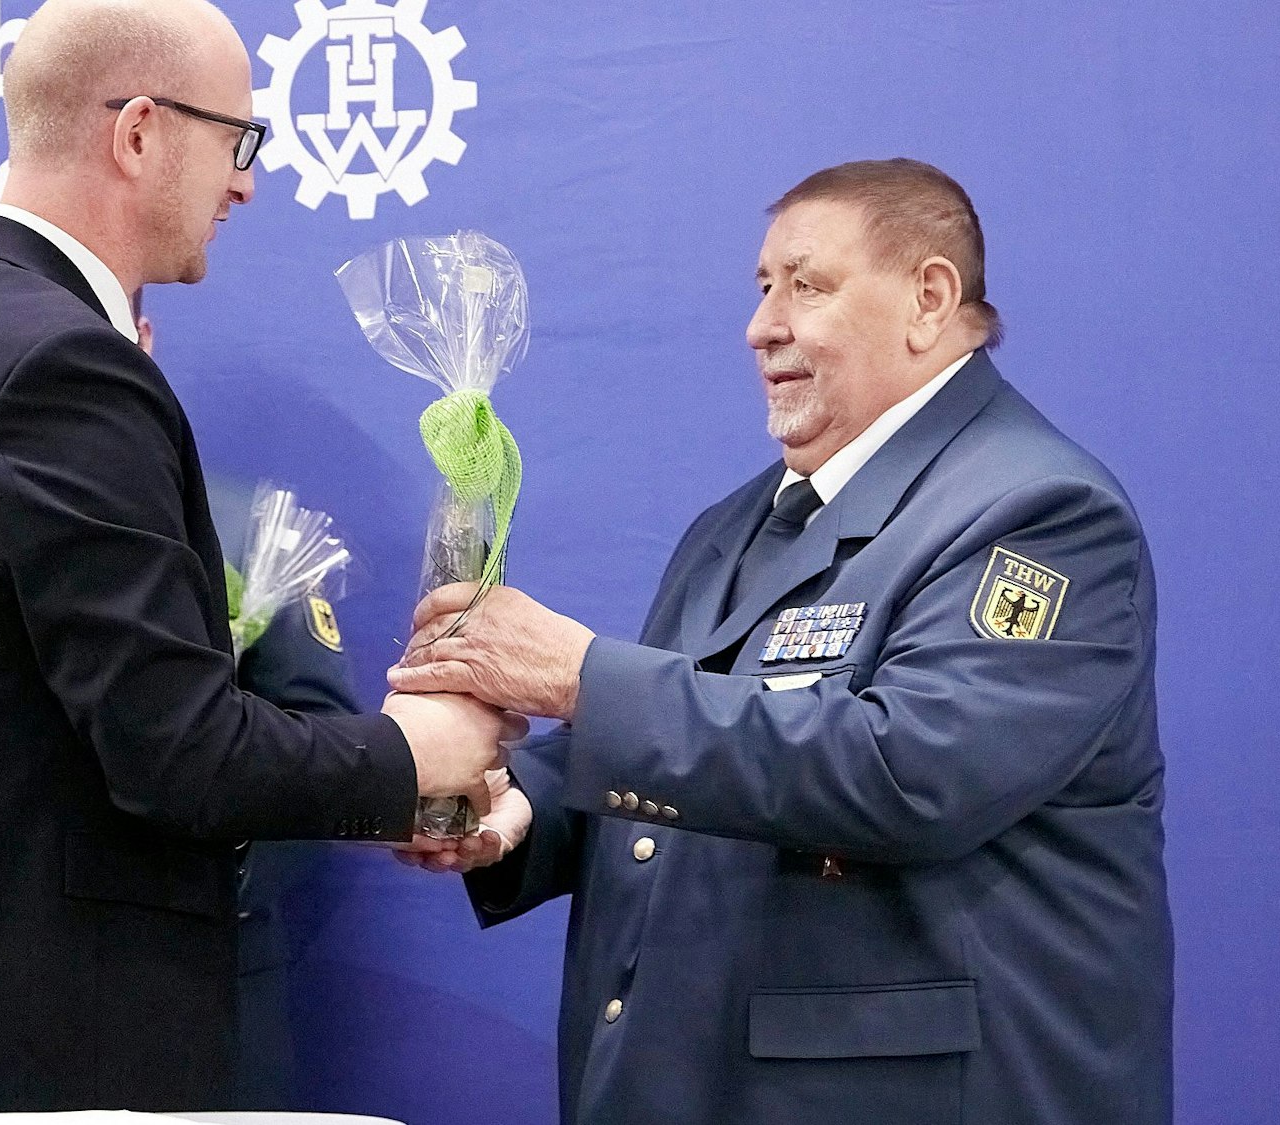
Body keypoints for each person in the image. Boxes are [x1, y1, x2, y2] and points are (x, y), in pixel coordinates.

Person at [0, 0, 510, 1113]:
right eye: (237, 142)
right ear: (138, 133)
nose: (247, 184)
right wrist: (414, 754)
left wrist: (379, 788)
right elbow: (177, 754)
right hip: (26, 1056)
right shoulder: (57, 365)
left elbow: (56, 741)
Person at [393, 159, 1172, 1125]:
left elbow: (909, 770)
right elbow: (687, 765)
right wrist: (506, 806)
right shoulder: (734, 526)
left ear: (927, 298)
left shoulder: (1038, 512)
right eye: (764, 288)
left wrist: (578, 675)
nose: (763, 325)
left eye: (807, 285)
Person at [137, 286, 353, 1109]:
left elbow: (322, 738)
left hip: (210, 976)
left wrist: (214, 880)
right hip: (17, 979)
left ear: (143, 338)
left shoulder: (254, 527)